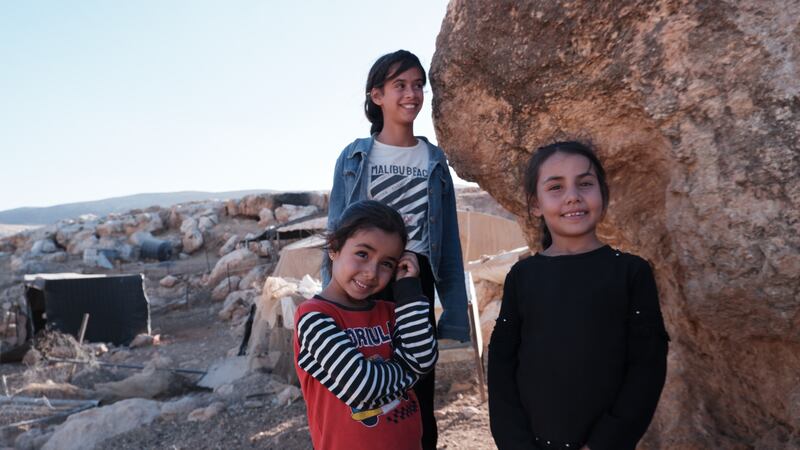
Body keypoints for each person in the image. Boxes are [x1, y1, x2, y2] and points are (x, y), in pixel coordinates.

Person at [325, 49, 470, 449]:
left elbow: (449, 245)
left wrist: (455, 312)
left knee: (418, 389)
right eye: (400, 85)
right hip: (367, 279)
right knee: (363, 385)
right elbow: (337, 232)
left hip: (413, 280)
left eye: (418, 85)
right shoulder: (355, 156)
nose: (412, 94)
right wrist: (330, 298)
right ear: (377, 96)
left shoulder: (434, 160)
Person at [488, 141, 669, 450]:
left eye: (585, 184)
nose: (573, 196)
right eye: (556, 187)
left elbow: (647, 368)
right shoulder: (523, 277)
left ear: (603, 193)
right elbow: (502, 364)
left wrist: (606, 442)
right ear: (535, 204)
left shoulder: (631, 273)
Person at [296, 200, 438, 450]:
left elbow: (425, 356)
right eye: (362, 254)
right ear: (334, 248)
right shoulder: (314, 316)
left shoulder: (394, 311)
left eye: (387, 263)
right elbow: (363, 387)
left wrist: (408, 288)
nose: (372, 272)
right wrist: (412, 366)